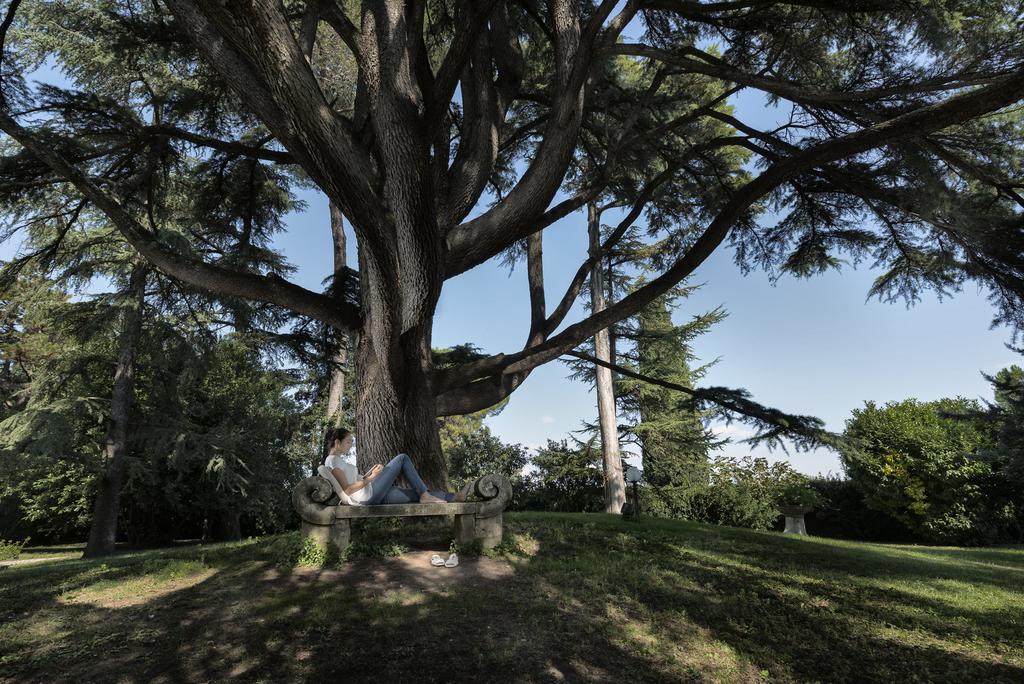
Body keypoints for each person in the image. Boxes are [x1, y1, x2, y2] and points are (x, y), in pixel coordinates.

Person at [323, 427, 472, 505]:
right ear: (337, 442)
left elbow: (352, 484)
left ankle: (456, 497)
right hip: (367, 497)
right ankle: (426, 495)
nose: (350, 445)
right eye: (348, 441)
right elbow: (348, 490)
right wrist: (372, 478)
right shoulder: (333, 461)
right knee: (402, 458)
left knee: (416, 494)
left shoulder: (337, 461)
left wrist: (370, 475)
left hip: (371, 492)